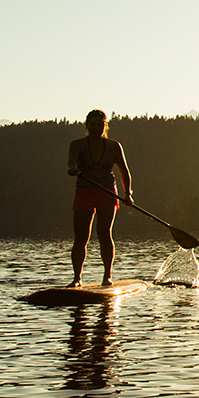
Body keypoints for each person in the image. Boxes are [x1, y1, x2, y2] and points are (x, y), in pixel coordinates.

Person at [67, 110, 133, 287]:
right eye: (92, 125)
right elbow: (70, 163)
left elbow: (124, 171)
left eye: (100, 125)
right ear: (87, 126)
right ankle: (77, 279)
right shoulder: (77, 145)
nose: (96, 128)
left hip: (107, 193)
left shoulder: (113, 146)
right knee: (81, 237)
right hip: (84, 193)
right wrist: (72, 168)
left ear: (105, 126)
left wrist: (127, 194)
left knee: (104, 233)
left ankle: (107, 277)